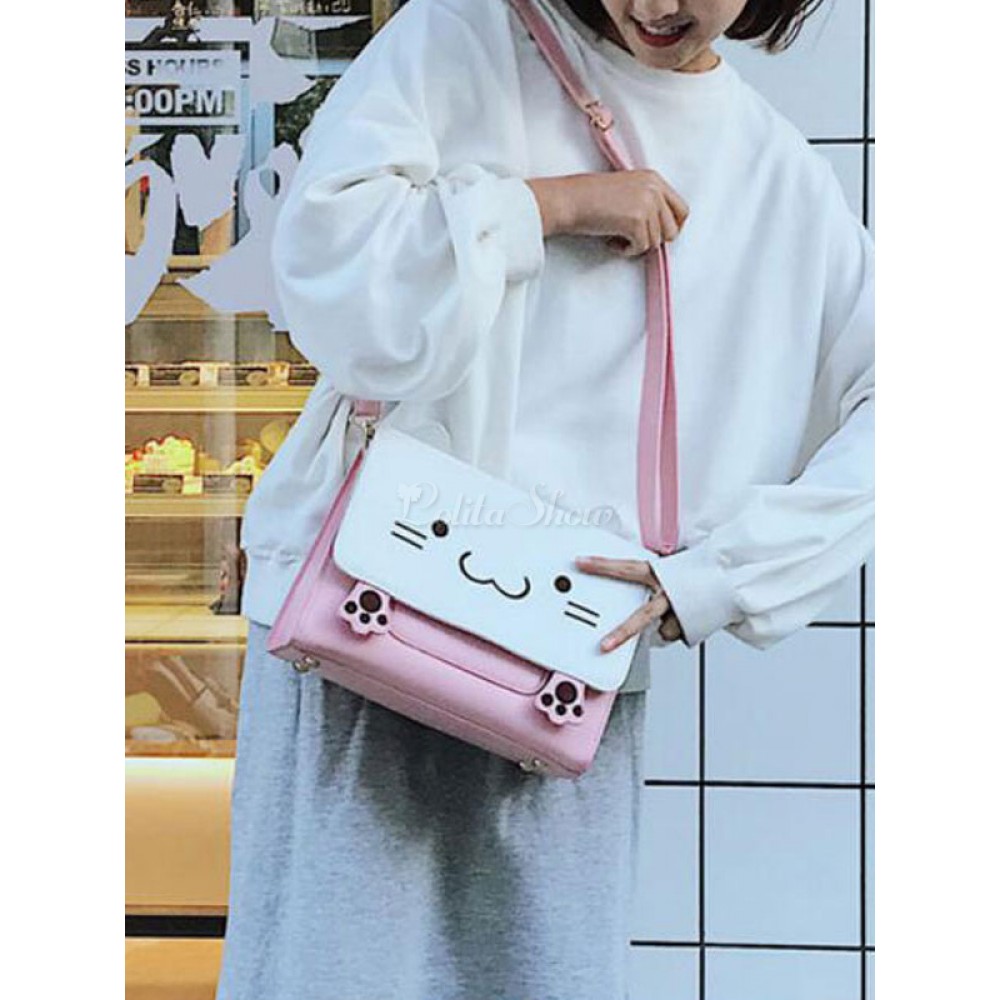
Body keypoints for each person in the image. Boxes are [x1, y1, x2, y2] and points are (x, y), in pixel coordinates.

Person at [216, 1, 874, 997]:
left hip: (565, 660)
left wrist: (715, 578)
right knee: (330, 969)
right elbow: (326, 268)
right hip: (366, 610)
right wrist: (545, 209)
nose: (658, 4)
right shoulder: (466, 35)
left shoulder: (776, 174)